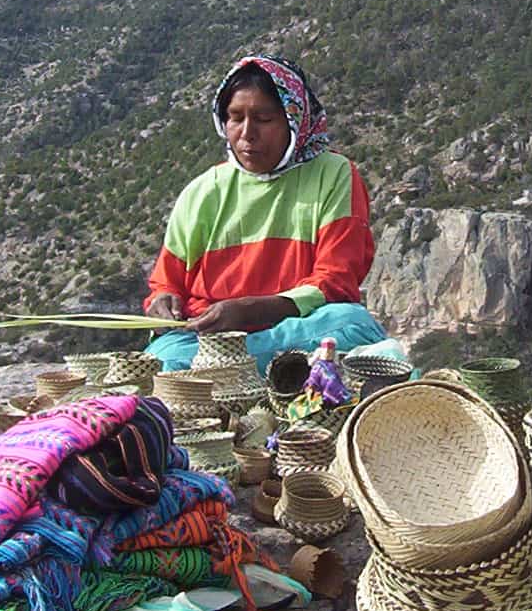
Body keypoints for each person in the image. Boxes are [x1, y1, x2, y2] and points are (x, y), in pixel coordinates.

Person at [143, 54, 386, 373]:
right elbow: (166, 282)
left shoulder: (334, 174)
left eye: (264, 118)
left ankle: (215, 371)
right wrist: (162, 302)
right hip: (209, 339)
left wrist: (256, 310)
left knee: (352, 324)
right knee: (161, 357)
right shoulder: (202, 192)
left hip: (295, 327)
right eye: (235, 117)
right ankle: (246, 366)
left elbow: (337, 280)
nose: (247, 133)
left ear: (294, 120)